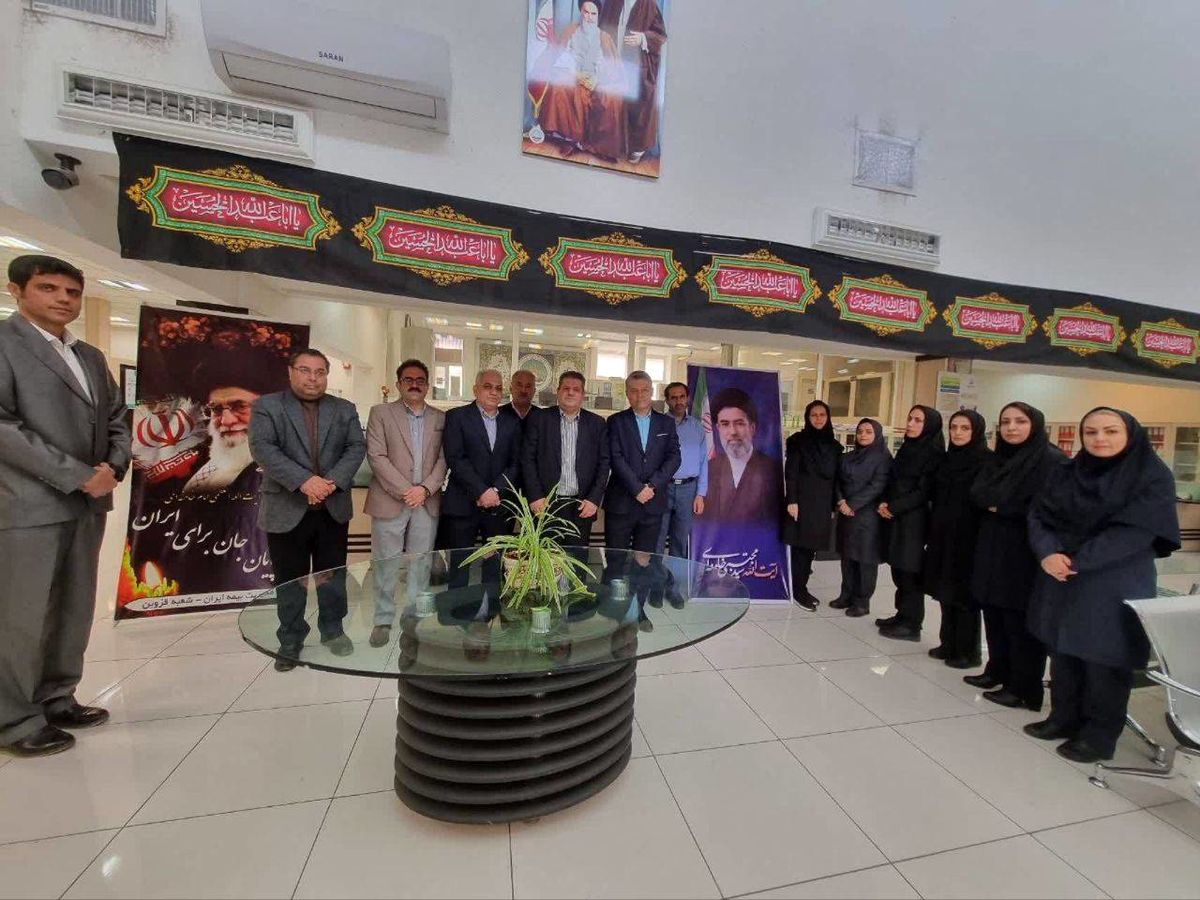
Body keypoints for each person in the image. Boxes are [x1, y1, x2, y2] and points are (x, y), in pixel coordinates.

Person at [0, 255, 130, 757]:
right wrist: (77, 475)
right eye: (48, 288)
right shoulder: (6, 343)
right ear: (16, 290)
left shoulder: (89, 356)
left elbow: (118, 417)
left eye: (72, 292)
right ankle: (14, 719)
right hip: (30, 505)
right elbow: (5, 428)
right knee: (22, 614)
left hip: (87, 506)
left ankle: (57, 697)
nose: (63, 299)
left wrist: (113, 466)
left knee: (74, 609)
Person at [1025, 408, 1179, 763]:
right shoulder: (1067, 472)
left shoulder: (1151, 476)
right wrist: (1048, 553)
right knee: (1062, 649)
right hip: (1060, 574)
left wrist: (1076, 561)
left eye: (1111, 431)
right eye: (1091, 432)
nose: (1100, 439)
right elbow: (1038, 514)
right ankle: (1063, 718)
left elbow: (1134, 532)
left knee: (1104, 657)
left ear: (1130, 434)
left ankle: (1099, 735)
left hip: (1113, 579)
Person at [248, 348, 366, 672]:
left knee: (332, 574)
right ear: (291, 372)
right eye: (305, 370)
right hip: (287, 506)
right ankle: (290, 638)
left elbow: (356, 447)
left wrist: (330, 483)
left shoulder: (343, 409)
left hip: (332, 506)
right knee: (290, 578)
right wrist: (305, 482)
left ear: (326, 375)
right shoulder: (268, 406)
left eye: (320, 372)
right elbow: (263, 448)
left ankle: (333, 630)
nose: (313, 378)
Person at [966, 402, 1065, 710]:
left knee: (1019, 620)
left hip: (1025, 551)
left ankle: (1023, 687)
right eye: (1006, 421)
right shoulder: (998, 457)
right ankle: (997, 670)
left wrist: (1002, 506)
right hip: (993, 544)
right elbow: (978, 494)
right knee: (994, 612)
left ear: (1035, 425)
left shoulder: (1050, 460)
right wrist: (1001, 505)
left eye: (1020, 421)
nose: (1011, 428)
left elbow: (1047, 508)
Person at [364, 359, 446, 649]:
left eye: (420, 380)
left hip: (426, 500)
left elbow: (443, 459)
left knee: (420, 563)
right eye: (408, 379)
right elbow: (376, 456)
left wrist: (424, 489)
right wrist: (406, 491)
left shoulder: (440, 418)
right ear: (398, 384)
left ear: (427, 385)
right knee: (386, 563)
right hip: (389, 499)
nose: (414, 384)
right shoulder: (381, 413)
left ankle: (414, 618)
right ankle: (383, 619)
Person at [922, 410, 991, 668]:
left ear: (977, 431)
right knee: (944, 591)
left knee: (965, 596)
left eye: (965, 428)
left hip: (969, 537)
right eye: (954, 427)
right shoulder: (946, 460)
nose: (958, 433)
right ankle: (948, 643)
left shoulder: (986, 461)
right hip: (943, 534)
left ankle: (968, 652)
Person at [442, 369, 523, 587]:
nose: (494, 392)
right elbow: (456, 458)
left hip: (499, 506)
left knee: (495, 568)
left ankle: (491, 606)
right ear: (475, 389)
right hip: (463, 503)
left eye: (498, 388)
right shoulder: (456, 417)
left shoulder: (512, 421)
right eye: (488, 387)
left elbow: (516, 463)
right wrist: (481, 490)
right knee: (460, 567)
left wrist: (495, 490)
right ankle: (459, 608)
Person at [877, 405, 945, 641]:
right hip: (896, 518)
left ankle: (912, 624)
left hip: (915, 521)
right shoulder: (908, 448)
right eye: (910, 418)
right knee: (897, 568)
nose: (911, 424)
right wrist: (884, 502)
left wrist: (893, 507)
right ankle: (901, 614)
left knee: (909, 571)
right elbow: (893, 480)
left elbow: (923, 492)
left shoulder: (933, 455)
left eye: (918, 420)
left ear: (930, 426)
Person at [522, 370, 609, 547]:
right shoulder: (539, 419)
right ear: (558, 391)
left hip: (582, 504)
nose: (570, 392)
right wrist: (535, 496)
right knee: (545, 557)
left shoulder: (597, 423)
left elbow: (604, 464)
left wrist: (594, 499)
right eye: (566, 388)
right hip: (546, 504)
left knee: (576, 558)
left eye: (576, 389)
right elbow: (527, 460)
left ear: (583, 395)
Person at [536, 0, 626, 160]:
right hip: (574, 76)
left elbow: (612, 67)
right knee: (560, 87)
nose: (589, 17)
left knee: (612, 98)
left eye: (593, 14)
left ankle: (601, 147)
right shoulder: (571, 31)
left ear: (598, 16)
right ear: (581, 12)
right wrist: (576, 75)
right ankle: (570, 140)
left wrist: (596, 80)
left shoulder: (604, 38)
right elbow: (562, 57)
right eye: (586, 12)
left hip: (596, 80)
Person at [604, 370, 680, 555]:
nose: (640, 395)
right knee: (616, 558)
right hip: (621, 503)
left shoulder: (666, 423)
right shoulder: (615, 421)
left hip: (653, 503)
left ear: (651, 391)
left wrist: (652, 485)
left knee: (644, 560)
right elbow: (615, 457)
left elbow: (674, 457)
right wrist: (637, 488)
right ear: (627, 393)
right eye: (634, 391)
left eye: (645, 390)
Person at [783, 400, 841, 611]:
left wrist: (834, 506)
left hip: (822, 504)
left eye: (822, 415)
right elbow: (791, 473)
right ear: (807, 418)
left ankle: (802, 587)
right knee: (800, 548)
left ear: (828, 418)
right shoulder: (797, 441)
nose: (818, 419)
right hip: (802, 502)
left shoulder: (834, 446)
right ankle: (798, 590)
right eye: (814, 415)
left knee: (810, 549)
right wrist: (792, 500)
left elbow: (836, 479)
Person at [831, 419, 892, 617]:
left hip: (868, 517)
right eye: (860, 431)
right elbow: (837, 481)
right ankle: (846, 595)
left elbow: (877, 486)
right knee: (847, 556)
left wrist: (852, 504)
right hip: (846, 514)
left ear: (877, 435)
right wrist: (841, 501)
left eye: (868, 431)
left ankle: (862, 601)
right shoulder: (847, 457)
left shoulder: (883, 458)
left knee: (865, 559)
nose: (863, 435)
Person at [598, 0, 668, 164]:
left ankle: (636, 147)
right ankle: (612, 144)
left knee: (638, 104)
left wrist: (643, 38)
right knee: (610, 100)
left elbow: (661, 35)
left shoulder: (648, 4)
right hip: (613, 61)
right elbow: (602, 28)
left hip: (638, 64)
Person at [702, 387, 782, 524]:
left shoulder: (772, 469)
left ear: (752, 428)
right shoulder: (709, 469)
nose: (733, 431)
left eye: (739, 423)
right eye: (725, 424)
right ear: (718, 429)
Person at [656, 381, 707, 560]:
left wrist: (701, 494)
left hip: (688, 490)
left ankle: (676, 578)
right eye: (674, 398)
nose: (678, 401)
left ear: (688, 399)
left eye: (682, 397)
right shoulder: (659, 424)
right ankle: (656, 576)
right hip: (662, 488)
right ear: (667, 401)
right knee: (657, 539)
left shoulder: (697, 427)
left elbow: (703, 462)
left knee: (680, 541)